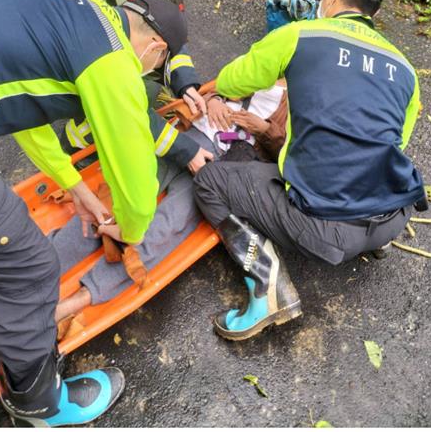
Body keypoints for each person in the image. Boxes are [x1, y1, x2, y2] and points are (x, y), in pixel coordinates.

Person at [0, 0, 189, 426]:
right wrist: (132, 229)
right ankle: (40, 404)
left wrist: (78, 188)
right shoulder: (115, 62)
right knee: (29, 265)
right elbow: (136, 171)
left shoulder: (75, 9)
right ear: (156, 50)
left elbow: (23, 107)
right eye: (156, 70)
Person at [192, 0, 426, 341]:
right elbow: (397, 143)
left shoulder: (301, 35)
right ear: (374, 11)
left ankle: (268, 288)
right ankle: (375, 243)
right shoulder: (405, 70)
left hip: (327, 232)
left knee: (212, 181)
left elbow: (233, 81)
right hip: (392, 217)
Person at [53, 84, 289, 326]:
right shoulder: (260, 69)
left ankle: (79, 299)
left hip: (219, 168)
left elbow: (285, 156)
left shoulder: (295, 106)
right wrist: (215, 100)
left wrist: (265, 130)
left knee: (165, 228)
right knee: (116, 201)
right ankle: (42, 265)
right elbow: (211, 87)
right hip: (186, 140)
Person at [58, 0, 215, 175]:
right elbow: (118, 98)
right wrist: (185, 151)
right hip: (75, 78)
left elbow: (168, 32)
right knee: (129, 99)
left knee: (150, 88)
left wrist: (186, 83)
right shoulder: (79, 16)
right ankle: (76, 147)